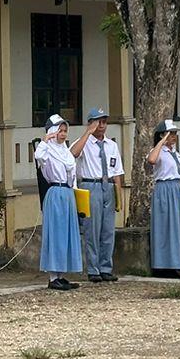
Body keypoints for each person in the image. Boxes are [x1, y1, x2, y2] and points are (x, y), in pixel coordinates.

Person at [72, 107, 124, 282]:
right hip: (90, 185)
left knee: (108, 230)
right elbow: (73, 153)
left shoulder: (112, 145)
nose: (102, 125)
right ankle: (93, 269)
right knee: (92, 229)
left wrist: (119, 196)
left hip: (108, 186)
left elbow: (117, 172)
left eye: (104, 121)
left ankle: (105, 267)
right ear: (91, 123)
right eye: (98, 122)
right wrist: (88, 133)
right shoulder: (84, 142)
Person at [35, 114, 83, 291]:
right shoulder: (47, 151)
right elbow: (38, 155)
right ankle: (52, 276)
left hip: (68, 193)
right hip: (55, 192)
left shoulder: (65, 152)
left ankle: (61, 275)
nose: (63, 134)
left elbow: (72, 175)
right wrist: (46, 140)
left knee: (66, 234)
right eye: (59, 131)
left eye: (65, 131)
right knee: (55, 234)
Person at [147, 119, 180, 277]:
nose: (174, 137)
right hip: (164, 189)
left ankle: (177, 263)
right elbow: (151, 160)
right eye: (171, 134)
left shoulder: (175, 153)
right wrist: (162, 141)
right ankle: (163, 265)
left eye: (175, 134)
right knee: (164, 226)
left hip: (176, 188)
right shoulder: (159, 152)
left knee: (177, 227)